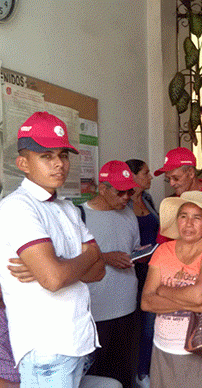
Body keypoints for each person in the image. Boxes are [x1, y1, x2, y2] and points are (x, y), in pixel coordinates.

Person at [0, 111, 104, 387]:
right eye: (46, 156)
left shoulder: (67, 207)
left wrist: (61, 264)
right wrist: (89, 255)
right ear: (23, 163)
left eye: (63, 155)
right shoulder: (17, 207)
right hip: (47, 350)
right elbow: (54, 279)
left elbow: (98, 272)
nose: (59, 164)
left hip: (77, 343)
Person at [141, 191, 202, 388]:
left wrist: (163, 291)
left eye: (196, 217)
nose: (188, 223)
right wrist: (194, 306)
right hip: (164, 349)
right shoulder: (163, 251)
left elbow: (199, 294)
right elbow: (147, 302)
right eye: (183, 216)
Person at [81, 161, 141, 388]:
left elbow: (132, 247)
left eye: (130, 191)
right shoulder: (80, 217)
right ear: (103, 189)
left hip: (128, 309)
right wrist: (105, 257)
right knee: (99, 376)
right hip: (96, 313)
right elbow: (70, 260)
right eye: (120, 192)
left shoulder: (128, 214)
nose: (126, 197)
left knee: (124, 376)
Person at [125, 159, 159, 388]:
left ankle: (144, 372)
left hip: (152, 269)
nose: (151, 177)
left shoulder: (148, 199)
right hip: (130, 271)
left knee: (150, 323)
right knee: (130, 323)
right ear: (133, 177)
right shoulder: (123, 203)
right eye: (146, 173)